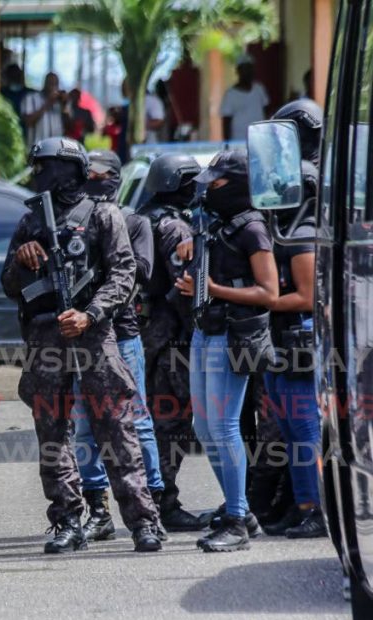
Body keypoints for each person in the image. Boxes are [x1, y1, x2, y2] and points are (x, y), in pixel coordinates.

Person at [1, 137, 162, 554]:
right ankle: (67, 520)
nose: (39, 175)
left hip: (92, 336)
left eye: (46, 167)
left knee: (116, 429)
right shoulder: (30, 222)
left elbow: (124, 276)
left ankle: (144, 521)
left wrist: (90, 313)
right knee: (52, 433)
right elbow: (6, 284)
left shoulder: (103, 215)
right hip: (46, 340)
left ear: (69, 169)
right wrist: (22, 258)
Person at [174, 149, 279, 552]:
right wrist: (187, 247)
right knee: (204, 428)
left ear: (235, 185)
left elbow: (268, 293)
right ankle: (241, 510)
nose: (208, 190)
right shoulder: (218, 224)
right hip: (206, 330)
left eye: (216, 183)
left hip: (233, 335)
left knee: (224, 427)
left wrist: (214, 289)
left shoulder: (252, 227)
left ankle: (236, 519)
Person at [73, 150, 166, 542]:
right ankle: (98, 508)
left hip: (122, 335)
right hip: (79, 334)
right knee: (83, 427)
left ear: (111, 178)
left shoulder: (134, 220)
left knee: (137, 422)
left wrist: (111, 242)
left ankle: (153, 503)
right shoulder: (72, 221)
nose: (88, 181)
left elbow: (140, 272)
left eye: (94, 174)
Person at [135, 153, 209, 532]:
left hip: (140, 338)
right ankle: (164, 504)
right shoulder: (174, 228)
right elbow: (185, 289)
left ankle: (149, 501)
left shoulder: (138, 218)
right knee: (171, 423)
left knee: (147, 421)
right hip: (170, 342)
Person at [259, 160, 326, 539]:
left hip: (299, 338)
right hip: (280, 339)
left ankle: (318, 509)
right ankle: (302, 509)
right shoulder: (285, 229)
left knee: (304, 432)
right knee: (289, 430)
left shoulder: (304, 231)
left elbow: (305, 297)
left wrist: (256, 301)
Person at [220, 55, 270, 141]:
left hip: (260, 140)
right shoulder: (230, 94)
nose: (248, 72)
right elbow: (226, 122)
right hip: (238, 141)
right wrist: (226, 144)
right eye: (245, 69)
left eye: (250, 68)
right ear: (238, 71)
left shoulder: (259, 89)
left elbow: (267, 113)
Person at [22, 72, 66, 148]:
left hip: (56, 150)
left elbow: (68, 126)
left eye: (56, 84)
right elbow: (28, 122)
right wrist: (48, 103)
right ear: (45, 83)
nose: (53, 87)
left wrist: (64, 105)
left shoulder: (59, 102)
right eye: (51, 83)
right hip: (37, 150)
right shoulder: (31, 98)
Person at [1, 64, 30, 142]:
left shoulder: (29, 93)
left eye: (17, 74)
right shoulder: (2, 93)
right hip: (7, 131)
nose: (15, 77)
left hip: (25, 132)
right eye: (12, 74)